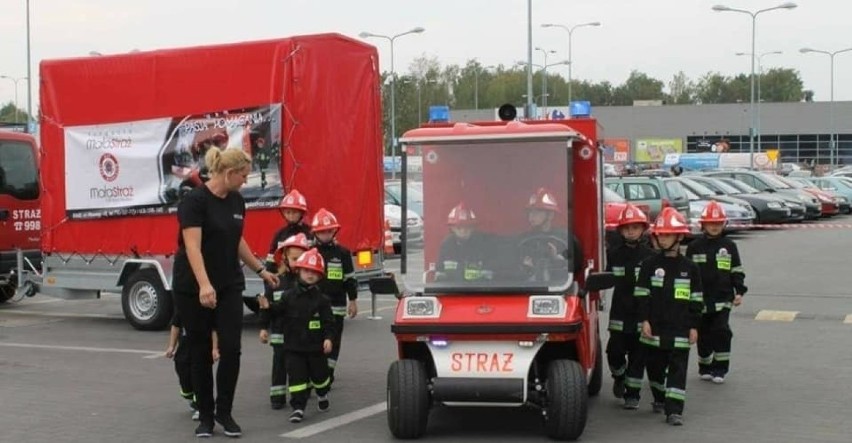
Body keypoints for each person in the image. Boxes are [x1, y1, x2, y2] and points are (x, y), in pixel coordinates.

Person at [171, 146, 280, 438]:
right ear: (229, 173)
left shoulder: (236, 201)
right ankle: (205, 417)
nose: (246, 181)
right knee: (201, 351)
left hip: (229, 283)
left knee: (231, 348)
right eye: (243, 176)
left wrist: (260, 270)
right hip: (193, 286)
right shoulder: (194, 202)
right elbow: (192, 246)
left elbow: (237, 240)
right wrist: (204, 285)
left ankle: (225, 411)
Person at [634, 207, 703, 426]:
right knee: (654, 367)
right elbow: (641, 295)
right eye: (660, 235)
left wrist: (694, 326)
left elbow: (696, 299)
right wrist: (644, 320)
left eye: (667, 235)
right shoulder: (649, 265)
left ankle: (674, 410)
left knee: (678, 370)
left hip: (680, 329)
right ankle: (659, 397)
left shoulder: (690, 268)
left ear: (679, 236)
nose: (663, 240)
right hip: (654, 328)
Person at [258, 248, 335, 424]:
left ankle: (322, 394)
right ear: (299, 270)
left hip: (315, 348)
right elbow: (276, 312)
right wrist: (266, 307)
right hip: (293, 348)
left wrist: (328, 338)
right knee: (297, 379)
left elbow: (329, 323)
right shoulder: (288, 296)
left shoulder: (322, 300)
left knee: (320, 377)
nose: (310, 275)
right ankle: (298, 408)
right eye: (307, 270)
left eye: (314, 273)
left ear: (320, 276)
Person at [685, 201, 747, 384]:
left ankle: (720, 368)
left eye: (718, 223)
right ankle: (705, 365)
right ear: (703, 225)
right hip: (700, 300)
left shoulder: (729, 246)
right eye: (710, 223)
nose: (714, 227)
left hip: (723, 299)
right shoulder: (694, 247)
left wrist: (739, 291)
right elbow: (686, 273)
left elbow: (736, 269)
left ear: (724, 224)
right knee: (703, 334)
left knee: (721, 331)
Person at [605, 204, 655, 409]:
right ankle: (619, 376)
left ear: (643, 229)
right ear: (621, 231)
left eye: (635, 227)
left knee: (638, 354)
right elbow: (604, 278)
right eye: (627, 228)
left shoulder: (651, 256)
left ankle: (632, 394)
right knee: (614, 351)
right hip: (620, 311)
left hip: (642, 313)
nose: (631, 231)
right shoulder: (613, 254)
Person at [257, 233, 311, 409]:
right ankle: (277, 397)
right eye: (294, 258)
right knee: (279, 366)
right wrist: (264, 327)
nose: (297, 262)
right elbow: (267, 306)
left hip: (301, 336)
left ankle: (301, 394)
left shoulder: (307, 284)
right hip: (280, 335)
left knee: (300, 367)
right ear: (285, 258)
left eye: (301, 258)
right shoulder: (276, 282)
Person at [311, 208, 358, 386]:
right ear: (315, 233)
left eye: (329, 231)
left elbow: (349, 279)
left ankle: (328, 372)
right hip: (314, 307)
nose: (325, 235)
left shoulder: (342, 253)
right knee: (316, 340)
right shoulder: (310, 253)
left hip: (336, 306)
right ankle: (318, 372)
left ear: (334, 231)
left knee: (334, 341)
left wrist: (352, 301)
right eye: (322, 232)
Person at [518, 187, 583, 282]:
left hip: (558, 288)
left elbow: (575, 266)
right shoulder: (523, 239)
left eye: (537, 212)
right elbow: (512, 268)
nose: (531, 216)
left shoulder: (565, 239)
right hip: (530, 287)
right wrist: (525, 266)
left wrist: (557, 259)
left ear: (550, 215)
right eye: (530, 212)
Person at [164, 313, 221, 421]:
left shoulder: (206, 311)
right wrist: (171, 346)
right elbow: (175, 326)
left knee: (199, 380)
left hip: (200, 352)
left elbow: (214, 330)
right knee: (184, 379)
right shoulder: (181, 308)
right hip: (183, 352)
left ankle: (200, 407)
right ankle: (192, 399)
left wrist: (214, 349)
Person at [436, 202, 494, 282]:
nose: (463, 231)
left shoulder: (483, 244)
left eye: (467, 227)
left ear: (472, 228)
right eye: (459, 227)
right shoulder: (447, 245)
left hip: (477, 291)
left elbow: (488, 276)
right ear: (452, 228)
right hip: (452, 291)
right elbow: (439, 274)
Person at [264, 189, 312, 272]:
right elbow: (270, 261)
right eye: (288, 212)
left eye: (294, 212)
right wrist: (270, 280)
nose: (291, 216)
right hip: (284, 279)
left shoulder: (311, 233)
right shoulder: (279, 234)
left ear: (302, 213)